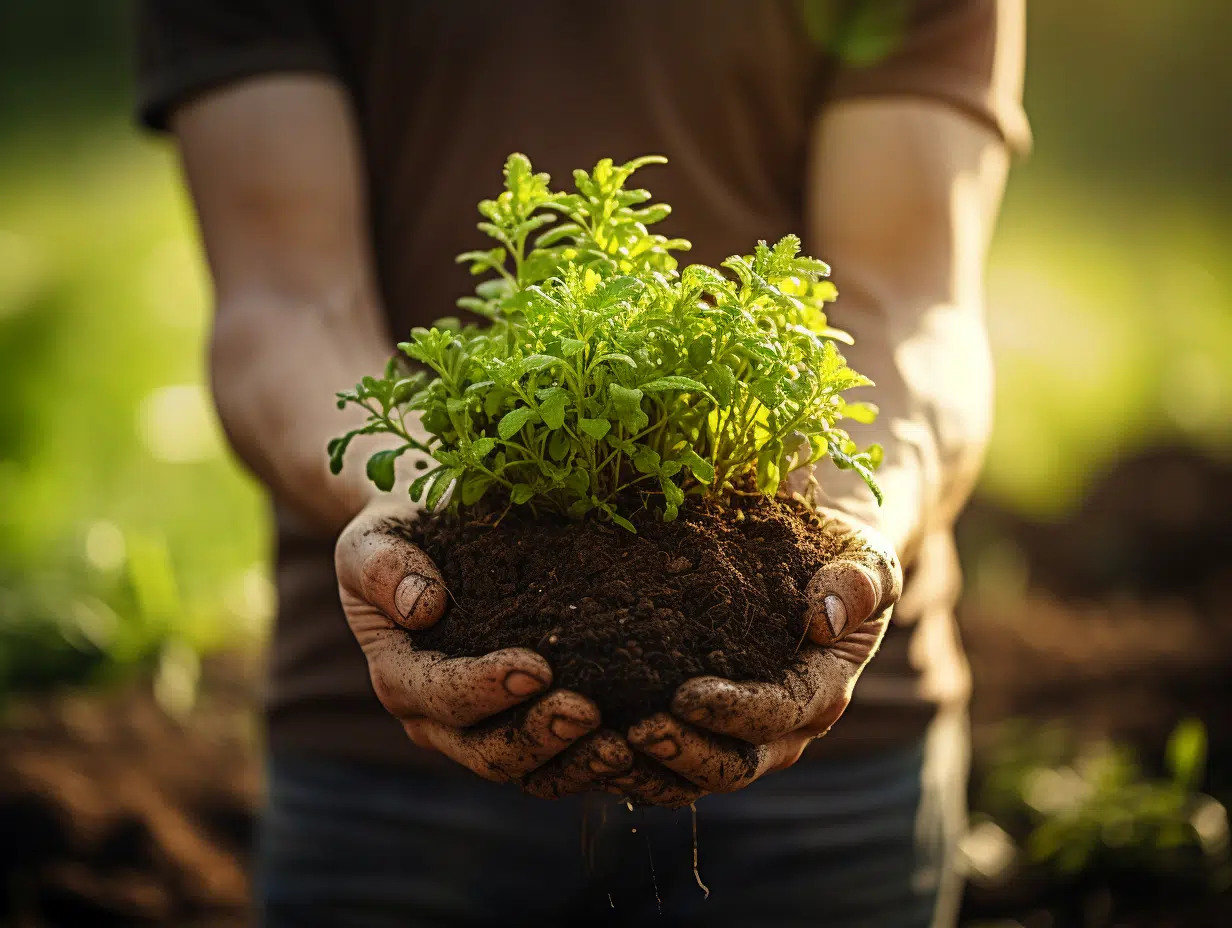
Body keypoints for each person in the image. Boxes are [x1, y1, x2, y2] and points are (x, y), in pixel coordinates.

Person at [136, 1, 1028, 924]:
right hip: (382, 770)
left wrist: (855, 521)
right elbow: (286, 302)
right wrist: (421, 504)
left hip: (826, 751)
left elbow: (906, 309)